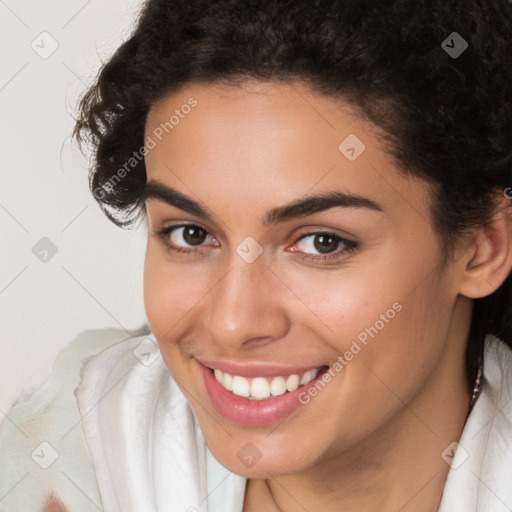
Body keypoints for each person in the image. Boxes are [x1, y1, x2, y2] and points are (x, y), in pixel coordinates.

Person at [1, 0, 512, 510]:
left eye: (321, 242)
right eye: (191, 234)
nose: (233, 323)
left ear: (482, 247)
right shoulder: (63, 456)